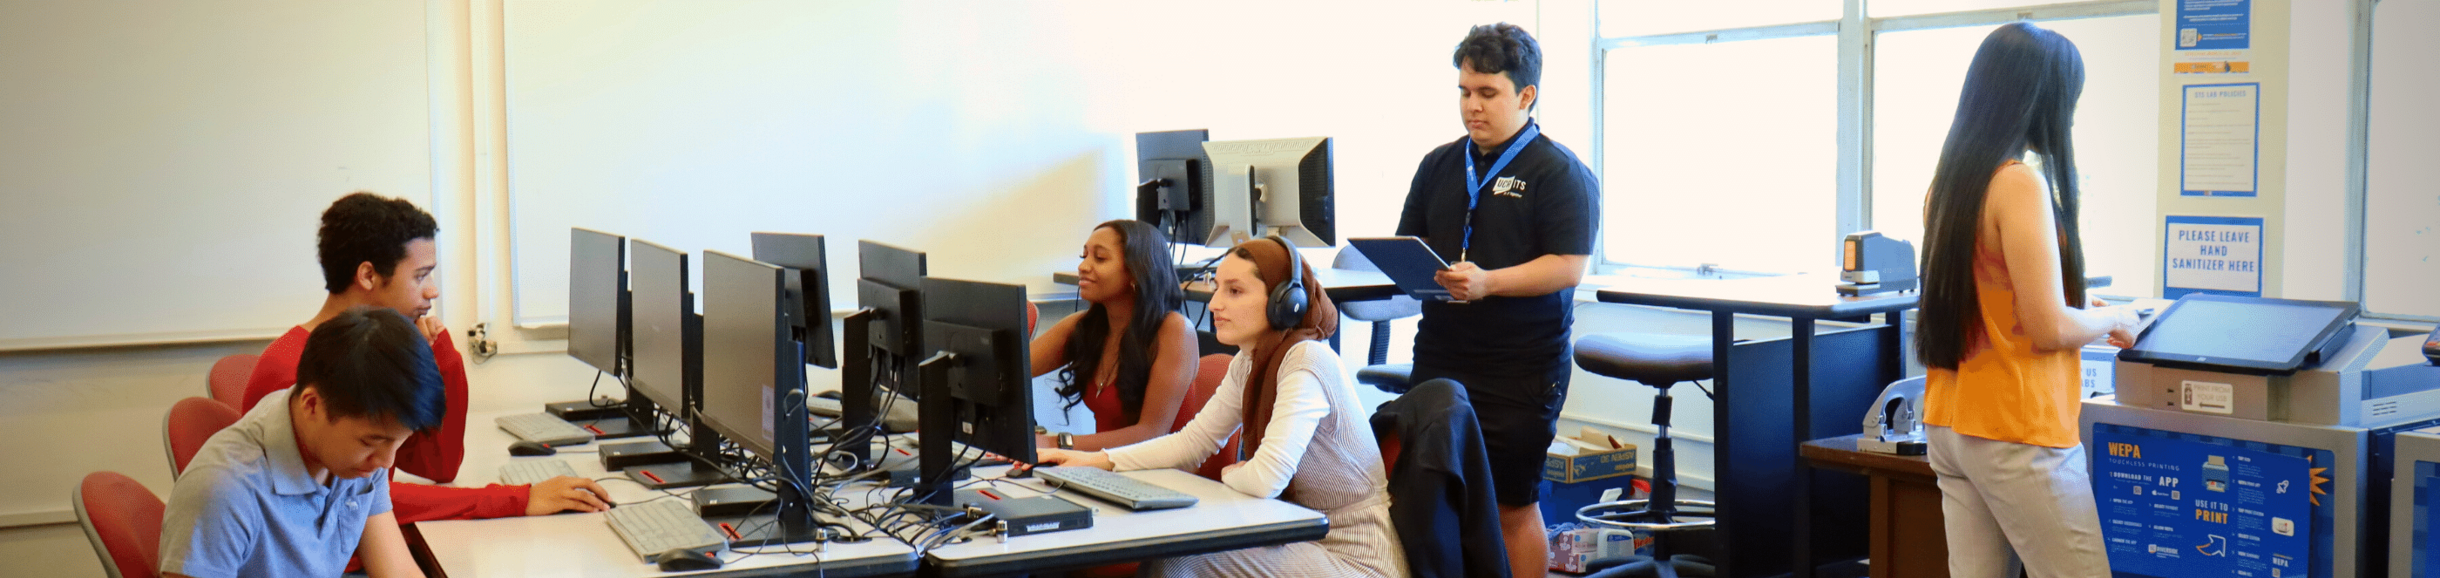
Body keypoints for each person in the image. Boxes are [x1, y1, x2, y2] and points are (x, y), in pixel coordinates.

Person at [1914, 22, 2143, 578]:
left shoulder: (1949, 185)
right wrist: (2115, 318)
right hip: (2015, 428)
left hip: (1951, 420)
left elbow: (1998, 297)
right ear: (2041, 100)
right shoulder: (2017, 184)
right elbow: (2047, 326)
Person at [1036, 237, 1405, 578]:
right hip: (1297, 539)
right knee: (1175, 546)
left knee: (1181, 554)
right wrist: (1093, 461)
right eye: (1217, 288)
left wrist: (1232, 473)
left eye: (1235, 291)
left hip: (1355, 558)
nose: (1214, 303)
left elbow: (1264, 479)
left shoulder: (1306, 361)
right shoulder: (1251, 361)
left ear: (1285, 303)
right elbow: (1191, 443)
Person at [243, 192, 608, 525]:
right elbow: (365, 502)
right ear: (368, 276)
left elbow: (439, 465)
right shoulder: (297, 371)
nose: (432, 290)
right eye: (420, 276)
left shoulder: (374, 356)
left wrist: (437, 353)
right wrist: (518, 498)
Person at [1395, 22, 1598, 577]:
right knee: (1427, 497)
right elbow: (1408, 243)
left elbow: (1569, 265)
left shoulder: (1560, 172)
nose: (1472, 107)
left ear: (1525, 95)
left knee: (1510, 504)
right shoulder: (1439, 164)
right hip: (1441, 353)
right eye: (1464, 91)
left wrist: (1489, 282)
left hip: (1520, 366)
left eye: (1488, 94)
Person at [160, 307, 443, 578]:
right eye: (372, 441)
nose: (386, 461)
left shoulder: (354, 447)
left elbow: (397, 570)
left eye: (399, 442)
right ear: (311, 406)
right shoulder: (224, 492)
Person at [1029, 220, 1199, 451]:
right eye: (1084, 256)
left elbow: (1150, 433)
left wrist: (1055, 443)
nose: (1083, 267)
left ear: (1137, 271)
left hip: (1163, 474)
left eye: (1099, 258)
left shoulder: (1175, 331)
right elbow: (1011, 370)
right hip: (1106, 468)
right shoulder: (1083, 326)